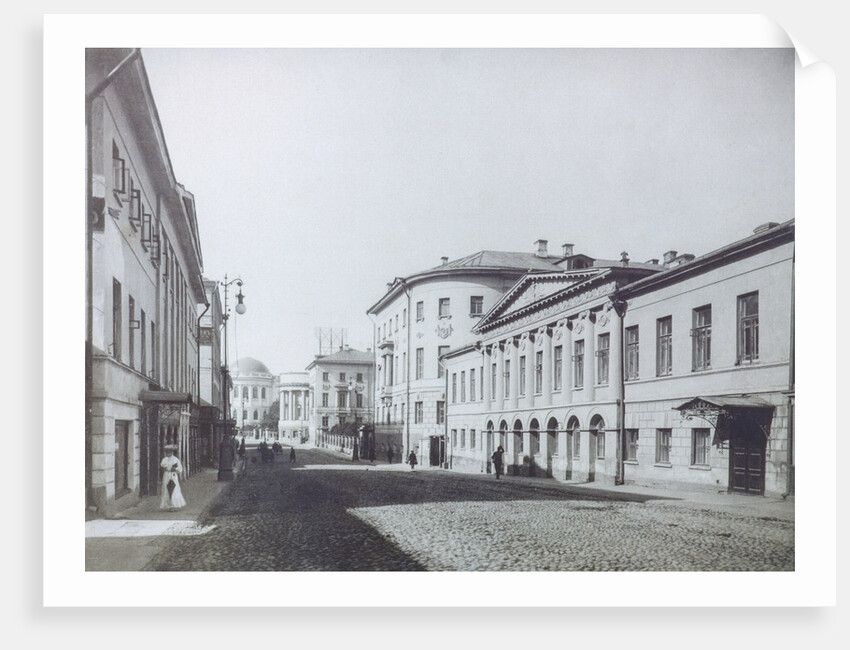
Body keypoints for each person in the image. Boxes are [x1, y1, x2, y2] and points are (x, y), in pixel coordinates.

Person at [160, 445, 186, 511]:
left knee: (174, 489)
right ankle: (167, 505)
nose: (168, 454)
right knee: (166, 489)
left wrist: (174, 469)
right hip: (166, 475)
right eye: (167, 452)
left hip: (173, 475)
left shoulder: (175, 459)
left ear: (172, 452)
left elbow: (179, 468)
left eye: (170, 452)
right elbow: (162, 466)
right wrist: (168, 468)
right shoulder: (164, 459)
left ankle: (174, 505)